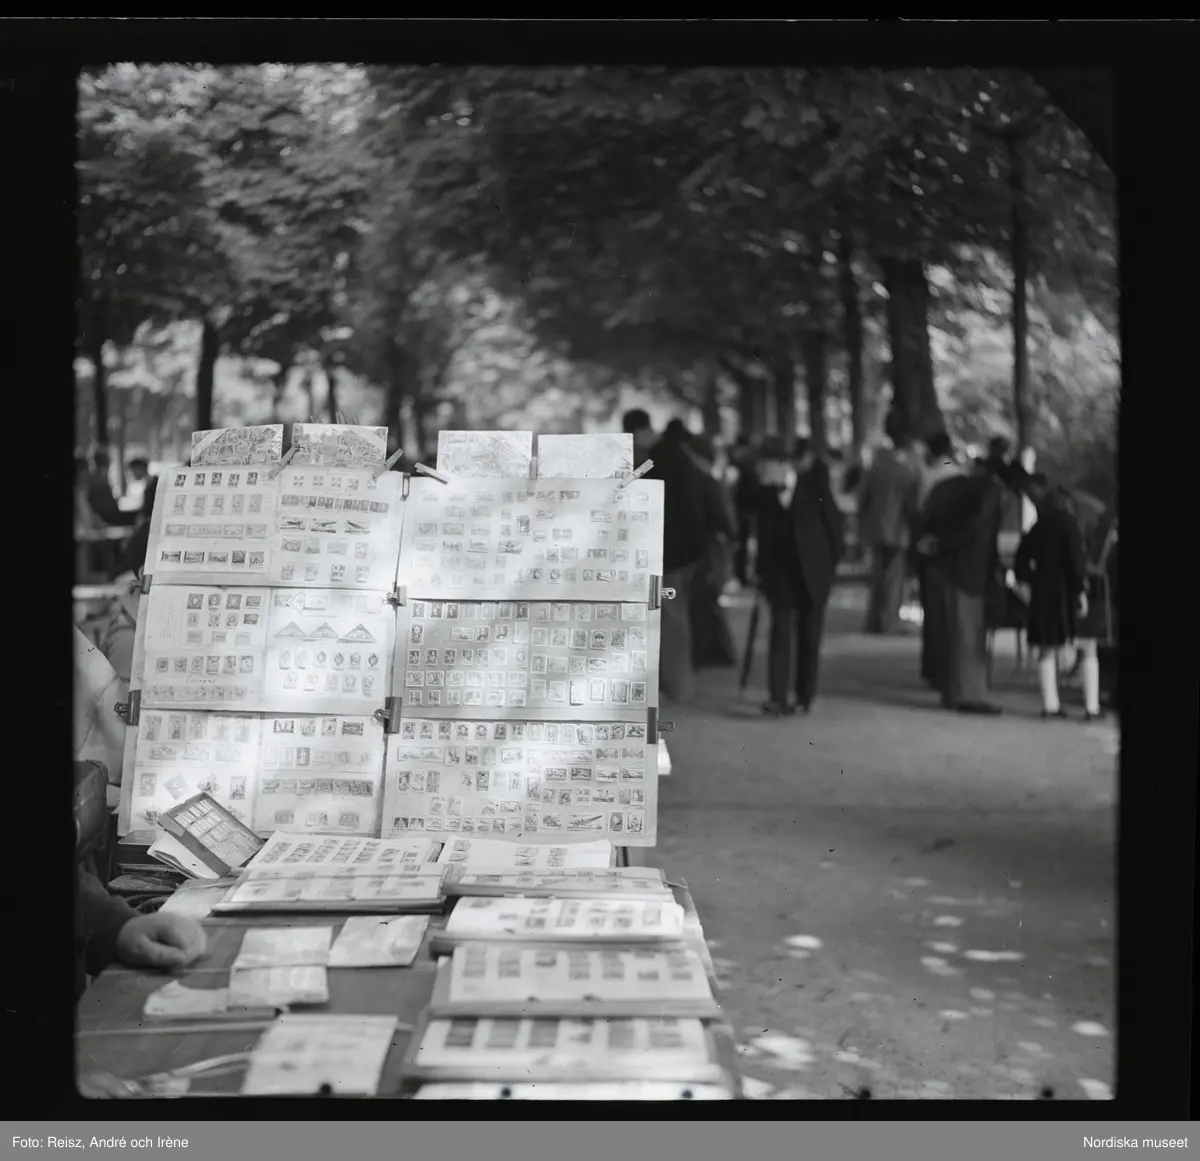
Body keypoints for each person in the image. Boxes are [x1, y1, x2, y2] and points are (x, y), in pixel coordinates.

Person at [915, 457, 1017, 715]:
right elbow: (974, 527)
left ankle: (953, 692)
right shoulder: (991, 492)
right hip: (968, 571)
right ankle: (970, 695)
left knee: (953, 634)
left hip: (947, 568)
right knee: (969, 636)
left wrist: (937, 545)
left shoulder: (954, 487)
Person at [753, 437, 844, 716]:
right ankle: (778, 697)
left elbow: (835, 530)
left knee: (810, 636)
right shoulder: (765, 495)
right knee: (780, 633)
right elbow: (763, 539)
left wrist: (829, 571)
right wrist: (760, 575)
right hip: (780, 576)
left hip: (812, 575)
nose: (759, 471)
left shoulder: (815, 488)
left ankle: (805, 696)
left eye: (764, 466)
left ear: (782, 464)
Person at [640, 417, 723, 703]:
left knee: (670, 618)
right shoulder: (687, 463)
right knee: (679, 616)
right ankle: (680, 684)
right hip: (690, 553)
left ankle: (677, 685)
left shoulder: (653, 461)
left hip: (666, 554)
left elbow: (633, 482)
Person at [1013, 470, 1104, 720]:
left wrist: (1033, 581)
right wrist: (1081, 592)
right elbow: (1076, 564)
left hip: (1044, 594)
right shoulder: (1069, 525)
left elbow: (1020, 562)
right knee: (1088, 647)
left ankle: (1050, 705)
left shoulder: (1037, 527)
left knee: (1047, 649)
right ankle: (1091, 708)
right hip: (1067, 594)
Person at [908, 431, 964, 690]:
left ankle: (932, 666)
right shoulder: (957, 472)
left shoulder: (927, 474)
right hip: (950, 548)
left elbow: (918, 509)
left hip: (929, 544)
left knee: (931, 611)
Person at [687, 433, 738, 668]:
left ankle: (716, 650)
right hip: (712, 550)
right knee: (709, 600)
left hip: (707, 551)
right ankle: (718, 650)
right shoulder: (711, 481)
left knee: (706, 600)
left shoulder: (705, 481)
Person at [858, 432, 917, 635]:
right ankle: (888, 621)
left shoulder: (874, 471)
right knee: (893, 580)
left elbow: (862, 499)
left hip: (876, 531)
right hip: (899, 533)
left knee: (877, 577)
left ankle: (872, 620)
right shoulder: (906, 473)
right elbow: (911, 506)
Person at [85, 450, 140, 529]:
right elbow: (107, 507)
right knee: (140, 516)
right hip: (108, 517)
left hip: (109, 515)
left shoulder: (97, 479)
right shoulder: (99, 481)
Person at [127, 456, 158, 520]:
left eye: (134, 470)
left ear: (141, 469)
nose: (133, 474)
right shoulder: (150, 483)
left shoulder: (154, 484)